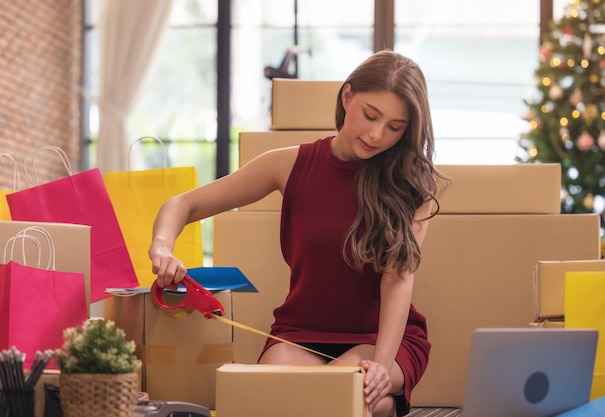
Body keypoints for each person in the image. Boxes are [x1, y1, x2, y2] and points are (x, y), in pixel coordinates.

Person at [149, 49, 448, 417]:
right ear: (347, 96)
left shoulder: (410, 184)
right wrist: (162, 249)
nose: (376, 134)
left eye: (394, 127)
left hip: (380, 341)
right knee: (275, 396)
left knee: (340, 392)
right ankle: (378, 407)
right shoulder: (288, 164)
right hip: (299, 333)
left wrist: (381, 367)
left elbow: (397, 281)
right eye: (370, 115)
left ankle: (376, 400)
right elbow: (183, 205)